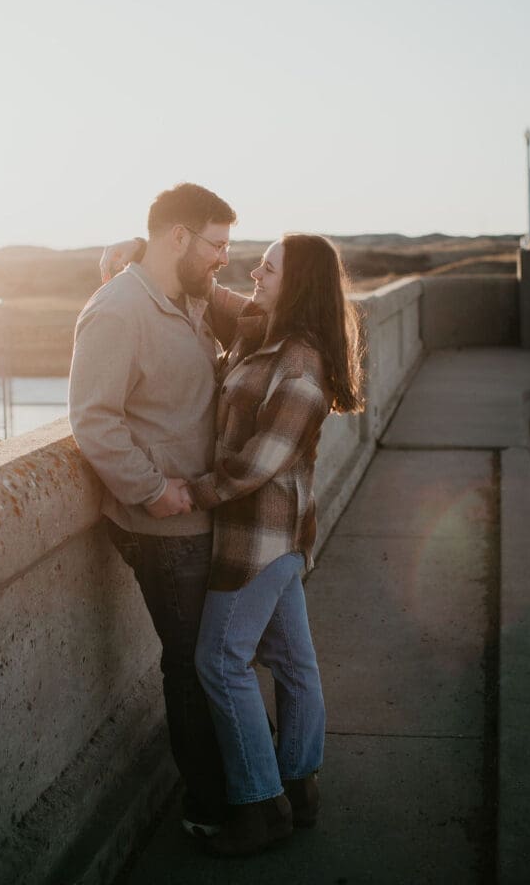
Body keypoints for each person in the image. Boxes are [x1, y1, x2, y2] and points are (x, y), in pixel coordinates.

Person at [176, 233, 364, 856]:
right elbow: (222, 295)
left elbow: (260, 462)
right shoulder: (267, 327)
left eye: (269, 266)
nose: (255, 268)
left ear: (298, 283)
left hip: (259, 538)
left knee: (219, 661)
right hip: (279, 536)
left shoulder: (302, 364)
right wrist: (134, 261)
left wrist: (188, 493)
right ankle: (299, 787)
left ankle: (260, 805)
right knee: (292, 662)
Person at [68, 182, 238, 837]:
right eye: (217, 244)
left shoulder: (188, 297)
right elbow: (93, 420)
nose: (225, 257)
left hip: (201, 517)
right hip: (162, 525)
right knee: (191, 664)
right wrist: (151, 489)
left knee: (212, 660)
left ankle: (238, 784)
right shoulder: (115, 312)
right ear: (178, 237)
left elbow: (258, 316)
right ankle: (208, 809)